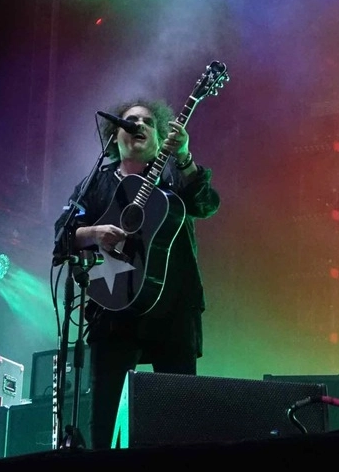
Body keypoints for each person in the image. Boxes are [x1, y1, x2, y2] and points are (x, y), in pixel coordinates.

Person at [57, 98, 221, 450]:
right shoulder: (96, 184)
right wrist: (96, 233)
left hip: (173, 308)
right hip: (112, 309)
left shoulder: (174, 176)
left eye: (148, 121)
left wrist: (186, 156)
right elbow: (63, 237)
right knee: (104, 422)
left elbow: (207, 205)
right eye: (130, 120)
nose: (139, 125)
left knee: (179, 421)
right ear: (115, 134)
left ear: (162, 136)